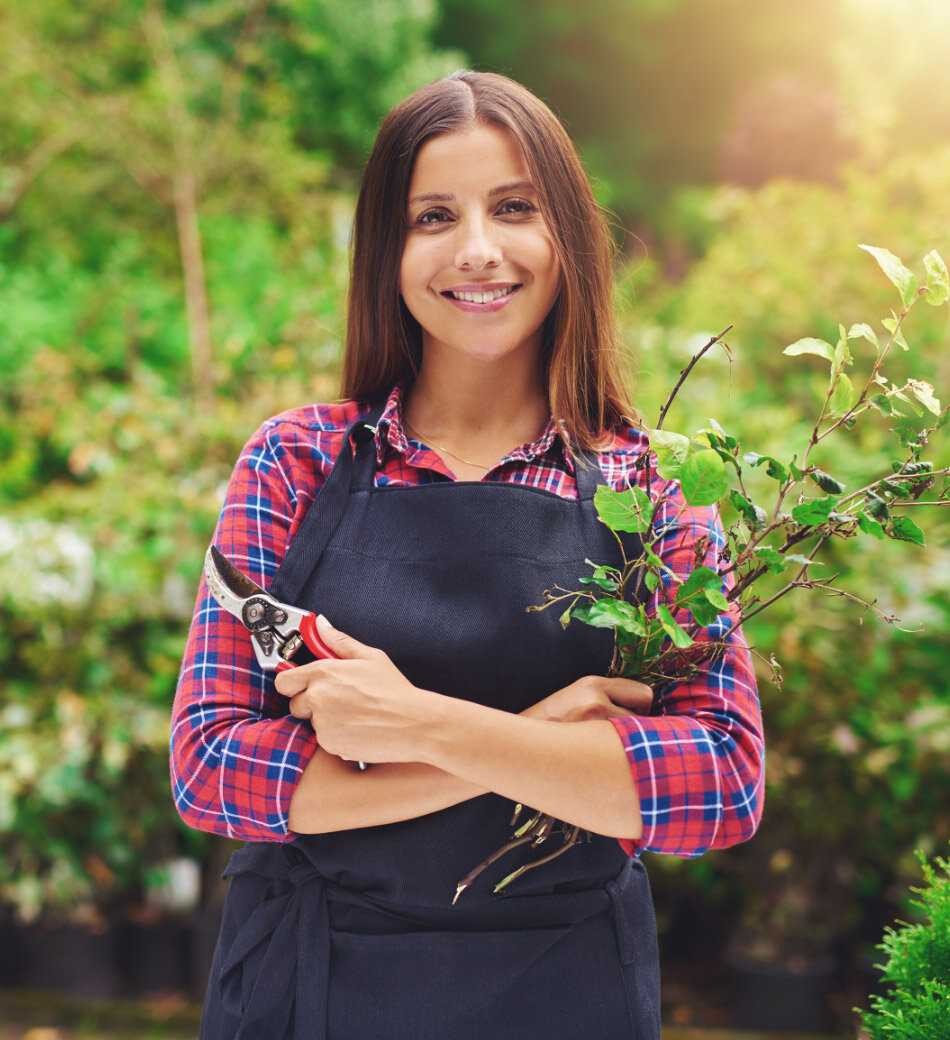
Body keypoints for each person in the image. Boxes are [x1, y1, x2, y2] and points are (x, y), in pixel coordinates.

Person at [170, 69, 765, 1040]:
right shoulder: (295, 460)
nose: (477, 250)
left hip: (563, 990)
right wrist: (542, 741)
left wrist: (419, 723)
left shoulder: (652, 485)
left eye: (513, 208)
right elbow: (211, 764)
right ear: (387, 251)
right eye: (433, 215)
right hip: (306, 984)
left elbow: (721, 781)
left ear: (564, 233)